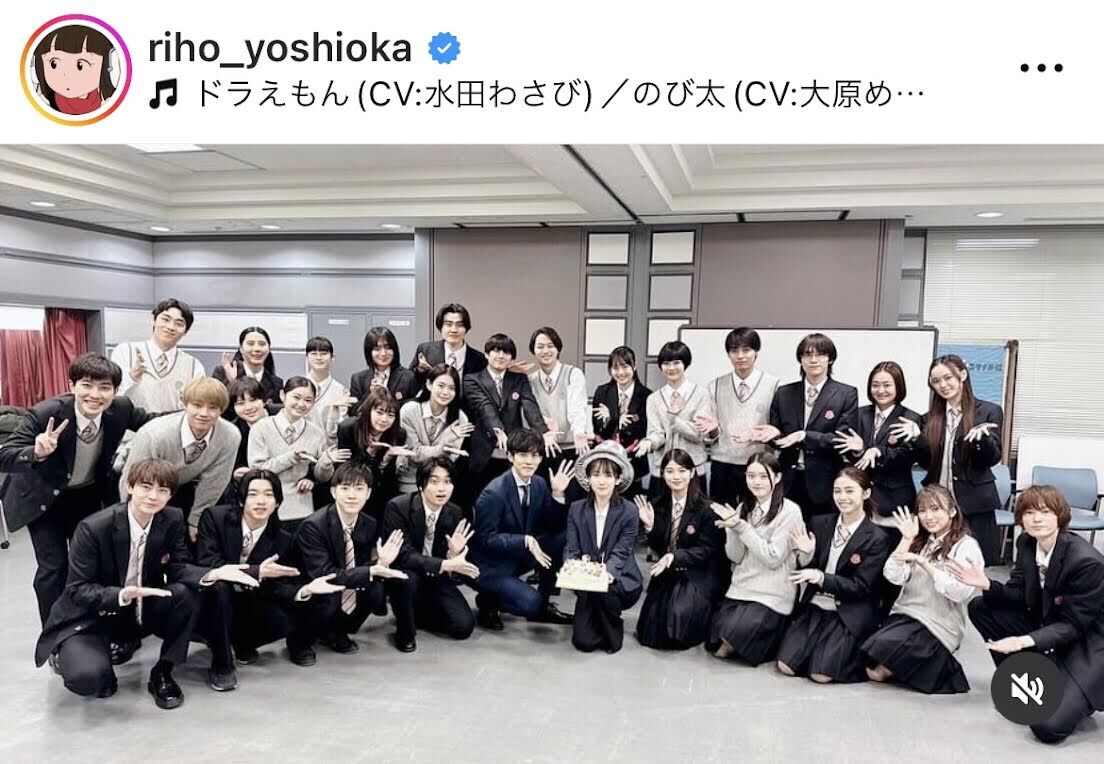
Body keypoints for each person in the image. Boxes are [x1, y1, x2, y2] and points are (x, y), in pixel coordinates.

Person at [34, 459, 259, 708]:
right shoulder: (93, 528)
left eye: (162, 490)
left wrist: (215, 573)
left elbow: (178, 567)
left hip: (140, 609)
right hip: (93, 617)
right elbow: (77, 590)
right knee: (90, 679)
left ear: (170, 495)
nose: (153, 496)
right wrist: (121, 594)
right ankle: (75, 655)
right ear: (130, 486)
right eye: (145, 487)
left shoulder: (172, 518)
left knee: (185, 593)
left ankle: (163, 671)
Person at [0, 353, 159, 625]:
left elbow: (154, 421)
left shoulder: (121, 409)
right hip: (43, 499)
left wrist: (195, 412)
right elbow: (5, 455)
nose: (95, 395)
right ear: (72, 386)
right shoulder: (46, 413)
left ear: (115, 391)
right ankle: (54, 631)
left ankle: (87, 622)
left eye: (104, 387)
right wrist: (36, 452)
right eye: (86, 385)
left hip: (87, 495)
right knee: (54, 566)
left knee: (90, 561)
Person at [952, 485, 1104, 744]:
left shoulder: (1086, 562)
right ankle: (1025, 680)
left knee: (1048, 727)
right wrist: (986, 584)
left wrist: (1023, 641)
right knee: (981, 607)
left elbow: (1073, 626)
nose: (1036, 519)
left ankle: (1072, 688)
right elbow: (1020, 594)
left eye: (1045, 512)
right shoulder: (1027, 543)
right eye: (1029, 512)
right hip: (1050, 621)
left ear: (1060, 516)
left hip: (1086, 642)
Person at [862, 486, 984, 694]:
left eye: (936, 509)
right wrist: (906, 539)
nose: (929, 516)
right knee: (868, 649)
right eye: (922, 511)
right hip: (906, 614)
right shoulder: (921, 541)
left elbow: (959, 592)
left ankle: (913, 665)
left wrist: (925, 565)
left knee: (882, 655)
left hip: (938, 622)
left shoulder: (966, 545)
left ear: (952, 511)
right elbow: (893, 575)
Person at [776, 467, 889, 684]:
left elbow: (860, 587)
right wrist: (807, 555)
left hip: (848, 611)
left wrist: (821, 578)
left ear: (866, 493)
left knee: (821, 675)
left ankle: (852, 657)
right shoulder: (821, 523)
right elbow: (807, 568)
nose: (842, 497)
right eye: (837, 491)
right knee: (786, 666)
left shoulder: (877, 537)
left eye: (849, 491)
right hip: (816, 606)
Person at [292, 461, 413, 661]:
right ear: (333, 492)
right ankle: (299, 641)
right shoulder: (313, 526)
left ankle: (336, 631)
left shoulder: (368, 523)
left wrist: (381, 563)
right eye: (345, 488)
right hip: (311, 589)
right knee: (330, 593)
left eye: (359, 489)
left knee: (376, 589)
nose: (352, 495)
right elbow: (324, 574)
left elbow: (360, 567)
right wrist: (372, 570)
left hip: (342, 581)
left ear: (368, 493)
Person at [890, 354, 1004, 564]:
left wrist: (984, 440)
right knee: (937, 561)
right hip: (938, 504)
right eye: (936, 381)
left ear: (963, 375)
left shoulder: (988, 411)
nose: (942, 385)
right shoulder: (929, 418)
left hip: (974, 502)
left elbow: (992, 459)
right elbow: (927, 463)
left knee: (974, 564)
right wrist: (917, 438)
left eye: (948, 378)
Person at [196, 469, 303, 691]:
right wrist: (256, 571)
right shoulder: (215, 518)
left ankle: (241, 641)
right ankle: (222, 663)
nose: (261, 501)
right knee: (220, 586)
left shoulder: (284, 538)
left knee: (285, 620)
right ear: (241, 499)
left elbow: (280, 584)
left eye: (268, 494)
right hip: (212, 595)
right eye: (253, 494)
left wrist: (303, 592)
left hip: (249, 599)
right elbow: (209, 562)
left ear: (278, 502)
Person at [468, 429, 575, 630]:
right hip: (490, 565)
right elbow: (485, 539)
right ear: (510, 456)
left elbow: (552, 525)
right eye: (523, 455)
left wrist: (557, 494)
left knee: (561, 538)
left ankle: (543, 604)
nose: (529, 461)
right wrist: (525, 540)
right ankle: (488, 600)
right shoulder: (494, 493)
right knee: (530, 604)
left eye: (535, 455)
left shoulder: (539, 484)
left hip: (517, 554)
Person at [707, 452, 803, 664]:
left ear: (777, 477)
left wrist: (741, 528)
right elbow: (736, 556)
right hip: (743, 586)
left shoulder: (790, 511)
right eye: (751, 476)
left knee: (736, 636)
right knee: (715, 636)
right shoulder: (743, 507)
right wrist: (732, 530)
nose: (756, 482)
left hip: (773, 591)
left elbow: (773, 558)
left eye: (763, 476)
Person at [119, 377, 241, 533]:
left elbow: (214, 482)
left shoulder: (230, 436)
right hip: (145, 485)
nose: (204, 413)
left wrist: (195, 520)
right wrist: (131, 519)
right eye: (197, 405)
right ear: (184, 405)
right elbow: (131, 479)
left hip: (184, 488)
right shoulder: (154, 435)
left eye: (212, 408)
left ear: (221, 410)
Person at [382, 458, 479, 647]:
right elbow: (404, 555)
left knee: (463, 627)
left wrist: (454, 553)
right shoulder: (398, 507)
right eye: (434, 482)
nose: (442, 488)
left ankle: (416, 613)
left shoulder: (455, 512)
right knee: (409, 580)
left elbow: (454, 563)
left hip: (436, 576)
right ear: (421, 486)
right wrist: (445, 563)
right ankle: (405, 631)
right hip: (407, 574)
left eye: (447, 481)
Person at [634, 449, 724, 650]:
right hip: (668, 571)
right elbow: (659, 546)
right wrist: (650, 527)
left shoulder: (707, 509)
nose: (676, 476)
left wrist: (674, 556)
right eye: (670, 471)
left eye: (682, 471)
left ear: (692, 473)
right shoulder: (658, 505)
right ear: (662, 474)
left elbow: (706, 550)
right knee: (650, 631)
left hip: (696, 573)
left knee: (679, 624)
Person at [763, 333, 859, 519]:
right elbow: (778, 437)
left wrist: (805, 436)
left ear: (830, 359)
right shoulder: (784, 393)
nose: (813, 360)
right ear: (800, 359)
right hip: (788, 481)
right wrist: (772, 435)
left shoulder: (846, 394)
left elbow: (842, 439)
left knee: (821, 532)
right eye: (807, 354)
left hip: (825, 481)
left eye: (820, 354)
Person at [563, 442, 642, 654]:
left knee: (605, 595)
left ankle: (612, 627)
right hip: (587, 581)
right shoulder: (576, 509)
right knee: (583, 642)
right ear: (588, 478)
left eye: (608, 475)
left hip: (618, 580)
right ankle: (596, 616)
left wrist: (603, 575)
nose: (601, 481)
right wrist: (571, 569)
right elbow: (572, 548)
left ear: (618, 479)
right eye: (596, 474)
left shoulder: (629, 511)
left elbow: (622, 552)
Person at [247, 377, 344, 529]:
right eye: (296, 397)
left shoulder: (316, 433)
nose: (301, 404)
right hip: (265, 504)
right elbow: (257, 470)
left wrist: (326, 463)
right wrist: (291, 457)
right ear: (282, 395)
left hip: (301, 506)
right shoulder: (260, 428)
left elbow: (322, 476)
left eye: (308, 400)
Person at [464, 333, 549, 503]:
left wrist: (543, 432)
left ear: (511, 358)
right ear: (487, 354)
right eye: (496, 351)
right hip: (484, 452)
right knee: (482, 500)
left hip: (512, 450)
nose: (501, 355)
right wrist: (498, 429)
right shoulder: (472, 380)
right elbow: (484, 406)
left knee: (512, 500)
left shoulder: (519, 379)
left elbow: (530, 406)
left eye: (506, 352)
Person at [834, 361, 922, 518]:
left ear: (898, 386)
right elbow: (847, 450)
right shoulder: (858, 414)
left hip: (895, 502)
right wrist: (860, 451)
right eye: (875, 385)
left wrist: (878, 451)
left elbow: (905, 456)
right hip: (859, 500)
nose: (881, 390)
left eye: (887, 385)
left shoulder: (910, 418)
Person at [636, 341, 719, 497]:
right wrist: (649, 442)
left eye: (676, 363)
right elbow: (657, 433)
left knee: (694, 511)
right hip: (662, 470)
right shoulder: (653, 399)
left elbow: (698, 434)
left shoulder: (701, 394)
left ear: (685, 364)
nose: (671, 368)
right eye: (666, 363)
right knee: (658, 511)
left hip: (693, 470)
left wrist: (674, 419)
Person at [709, 328, 779, 509]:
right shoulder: (715, 385)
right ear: (728, 354)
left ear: (756, 352)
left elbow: (778, 428)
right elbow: (710, 432)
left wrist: (770, 434)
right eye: (734, 350)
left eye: (746, 350)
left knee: (757, 514)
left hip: (759, 464)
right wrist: (712, 430)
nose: (740, 356)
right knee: (721, 516)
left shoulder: (773, 385)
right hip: (722, 464)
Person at [110, 298, 204, 412]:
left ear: (186, 331)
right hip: (132, 423)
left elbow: (198, 405)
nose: (170, 327)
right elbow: (111, 395)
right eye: (165, 319)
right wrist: (131, 377)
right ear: (154, 320)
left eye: (179, 324)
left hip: (173, 423)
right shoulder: (125, 351)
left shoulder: (194, 366)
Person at [336, 387, 410, 524]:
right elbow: (345, 471)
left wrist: (385, 460)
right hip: (353, 488)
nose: (384, 419)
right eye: (379, 412)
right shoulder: (348, 428)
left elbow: (388, 479)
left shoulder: (398, 434)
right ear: (368, 410)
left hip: (380, 491)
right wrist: (369, 454)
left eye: (390, 415)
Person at [527, 326, 593, 477]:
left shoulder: (573, 374)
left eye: (550, 346)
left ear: (558, 348)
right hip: (542, 448)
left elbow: (577, 408)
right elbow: (531, 413)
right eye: (540, 347)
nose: (545, 351)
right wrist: (545, 429)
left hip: (572, 447)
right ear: (534, 351)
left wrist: (578, 432)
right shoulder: (530, 380)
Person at [396, 364, 472, 493]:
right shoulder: (409, 410)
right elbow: (413, 453)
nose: (445, 392)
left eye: (452, 388)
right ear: (429, 384)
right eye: (441, 386)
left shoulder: (460, 418)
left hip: (439, 481)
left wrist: (440, 450)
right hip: (409, 479)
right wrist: (442, 446)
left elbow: (449, 460)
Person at [590, 346, 651, 498]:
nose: (621, 372)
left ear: (634, 366)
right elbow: (598, 429)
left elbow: (642, 430)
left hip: (633, 464)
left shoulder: (646, 396)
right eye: (615, 368)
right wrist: (617, 420)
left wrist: (611, 417)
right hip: (605, 462)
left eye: (625, 366)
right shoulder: (602, 392)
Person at [33, 24, 118, 115]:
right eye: (54, 64)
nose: (67, 75)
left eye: (80, 65)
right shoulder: (43, 105)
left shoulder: (108, 102)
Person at [410, 303, 487, 396]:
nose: (453, 330)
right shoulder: (426, 350)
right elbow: (411, 383)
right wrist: (421, 371)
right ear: (440, 327)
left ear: (466, 328)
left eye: (459, 325)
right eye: (448, 324)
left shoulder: (479, 359)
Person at [350, 327, 420, 412]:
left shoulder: (409, 377)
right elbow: (353, 412)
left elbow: (414, 410)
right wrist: (371, 395)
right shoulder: (358, 379)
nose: (383, 353)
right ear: (369, 352)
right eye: (377, 349)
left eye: (387, 347)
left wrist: (386, 394)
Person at [211, 326, 283, 408]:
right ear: (241, 349)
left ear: (269, 348)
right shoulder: (223, 372)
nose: (257, 349)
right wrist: (231, 383)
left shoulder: (276, 383)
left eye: (262, 344)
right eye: (250, 344)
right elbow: (215, 406)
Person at [221, 377, 269, 501]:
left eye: (253, 400)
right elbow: (234, 464)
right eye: (240, 403)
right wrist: (236, 471)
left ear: (264, 400)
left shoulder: (281, 415)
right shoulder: (232, 431)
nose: (248, 407)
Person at [303, 336, 356, 446]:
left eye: (324, 353)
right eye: (314, 353)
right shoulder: (297, 387)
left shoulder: (341, 391)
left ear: (332, 357)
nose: (319, 358)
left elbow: (338, 431)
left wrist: (333, 409)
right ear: (307, 357)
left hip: (330, 449)